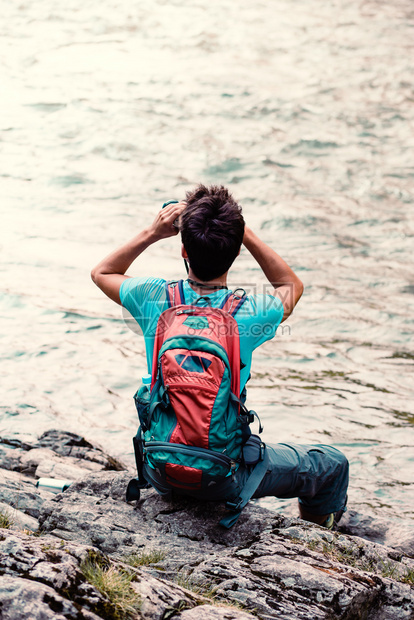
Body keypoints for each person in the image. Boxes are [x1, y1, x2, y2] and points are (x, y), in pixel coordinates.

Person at [91, 184, 348, 527]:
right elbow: (291, 286)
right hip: (223, 476)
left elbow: (101, 272)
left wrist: (152, 233)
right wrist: (247, 236)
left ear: (183, 248)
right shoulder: (250, 311)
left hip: (159, 469)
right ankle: (319, 540)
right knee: (331, 464)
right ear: (236, 252)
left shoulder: (153, 296)